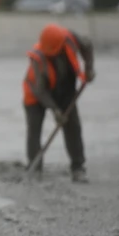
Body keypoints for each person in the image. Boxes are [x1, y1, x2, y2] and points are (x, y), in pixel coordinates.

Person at [22, 22, 96, 182]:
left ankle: (78, 168)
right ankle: (35, 169)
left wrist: (89, 68)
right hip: (36, 95)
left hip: (65, 89)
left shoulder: (69, 38)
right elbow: (39, 91)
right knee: (34, 129)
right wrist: (55, 110)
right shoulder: (38, 59)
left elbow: (87, 45)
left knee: (73, 126)